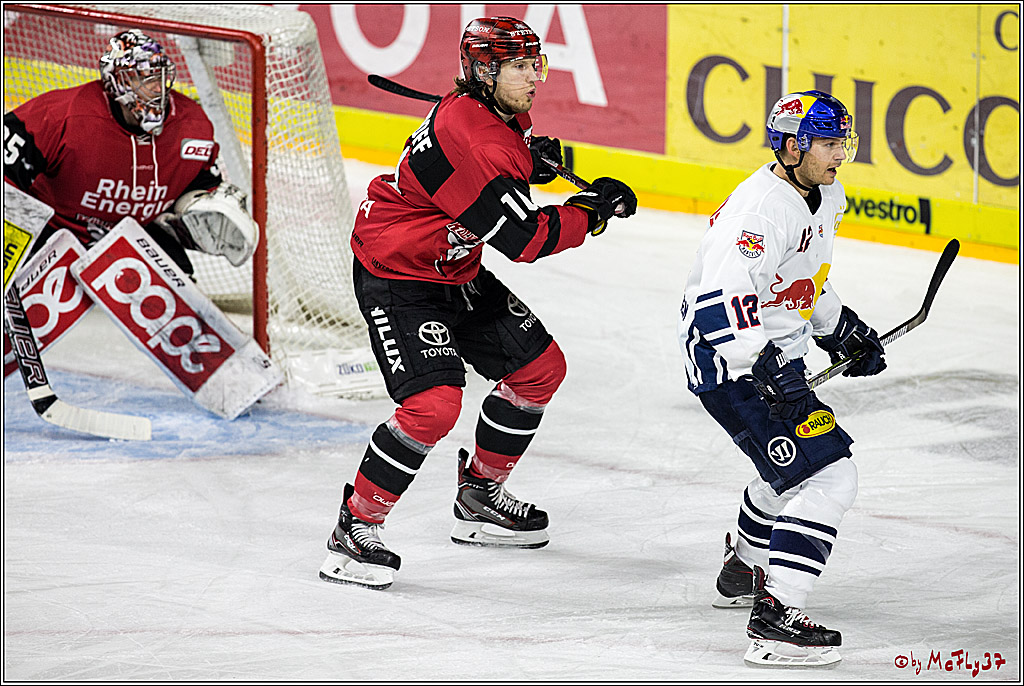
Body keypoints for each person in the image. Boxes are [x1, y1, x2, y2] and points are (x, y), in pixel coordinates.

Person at [319, 16, 637, 590]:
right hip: (399, 272)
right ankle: (355, 527)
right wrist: (589, 212)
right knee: (433, 406)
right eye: (518, 66)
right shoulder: (478, 138)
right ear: (483, 72)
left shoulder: (493, 115)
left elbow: (490, 171)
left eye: (534, 64)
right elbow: (523, 240)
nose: (534, 78)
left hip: (452, 265)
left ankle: (480, 495)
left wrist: (527, 158)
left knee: (539, 370)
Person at [677, 90, 886, 666]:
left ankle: (744, 568)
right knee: (832, 477)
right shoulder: (759, 213)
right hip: (731, 363)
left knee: (795, 471)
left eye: (843, 142)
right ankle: (776, 620)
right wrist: (766, 368)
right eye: (827, 143)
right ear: (791, 147)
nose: (839, 154)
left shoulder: (826, 194)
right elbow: (718, 301)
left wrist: (839, 327)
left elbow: (801, 278)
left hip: (772, 361)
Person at [3, 28, 257, 276]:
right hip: (52, 235)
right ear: (115, 83)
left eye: (159, 76)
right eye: (141, 77)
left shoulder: (193, 126)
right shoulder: (61, 117)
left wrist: (202, 203)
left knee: (181, 283)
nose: (156, 88)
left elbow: (200, 182)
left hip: (131, 236)